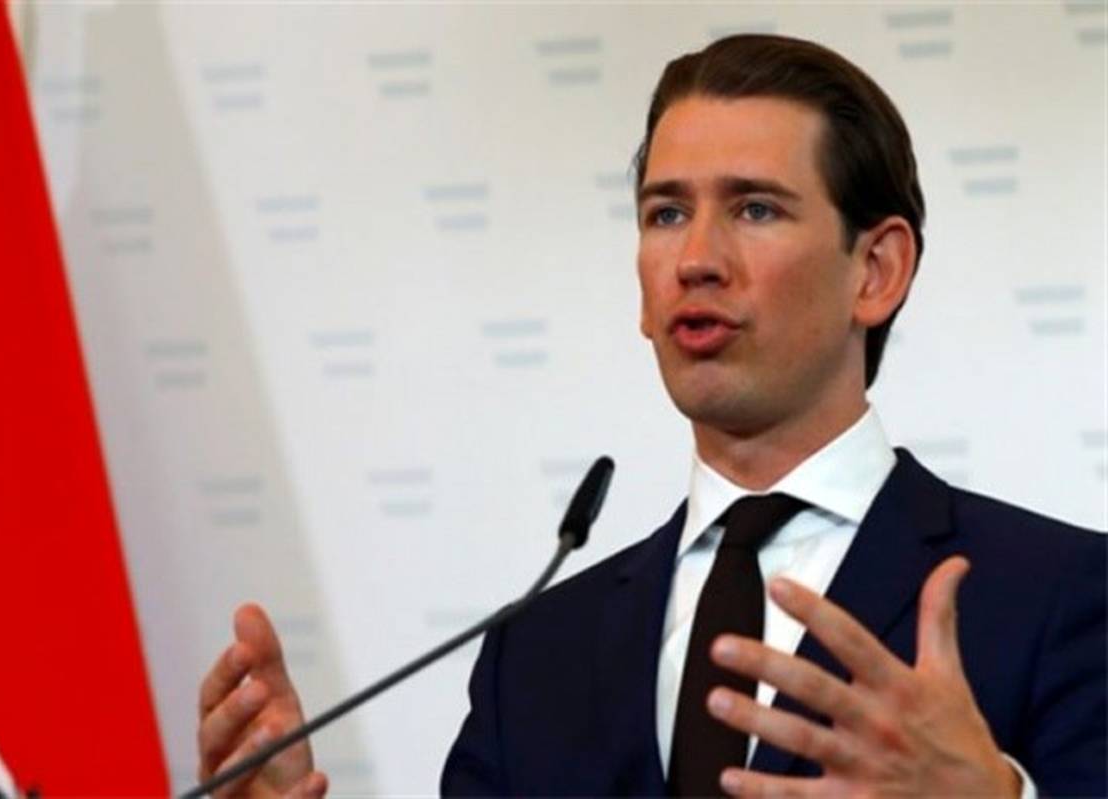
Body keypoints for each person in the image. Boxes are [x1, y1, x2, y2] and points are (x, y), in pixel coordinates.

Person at [196, 34, 1106, 797]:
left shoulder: (1062, 595)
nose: (696, 258)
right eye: (667, 213)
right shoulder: (535, 651)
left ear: (876, 271)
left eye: (755, 208)